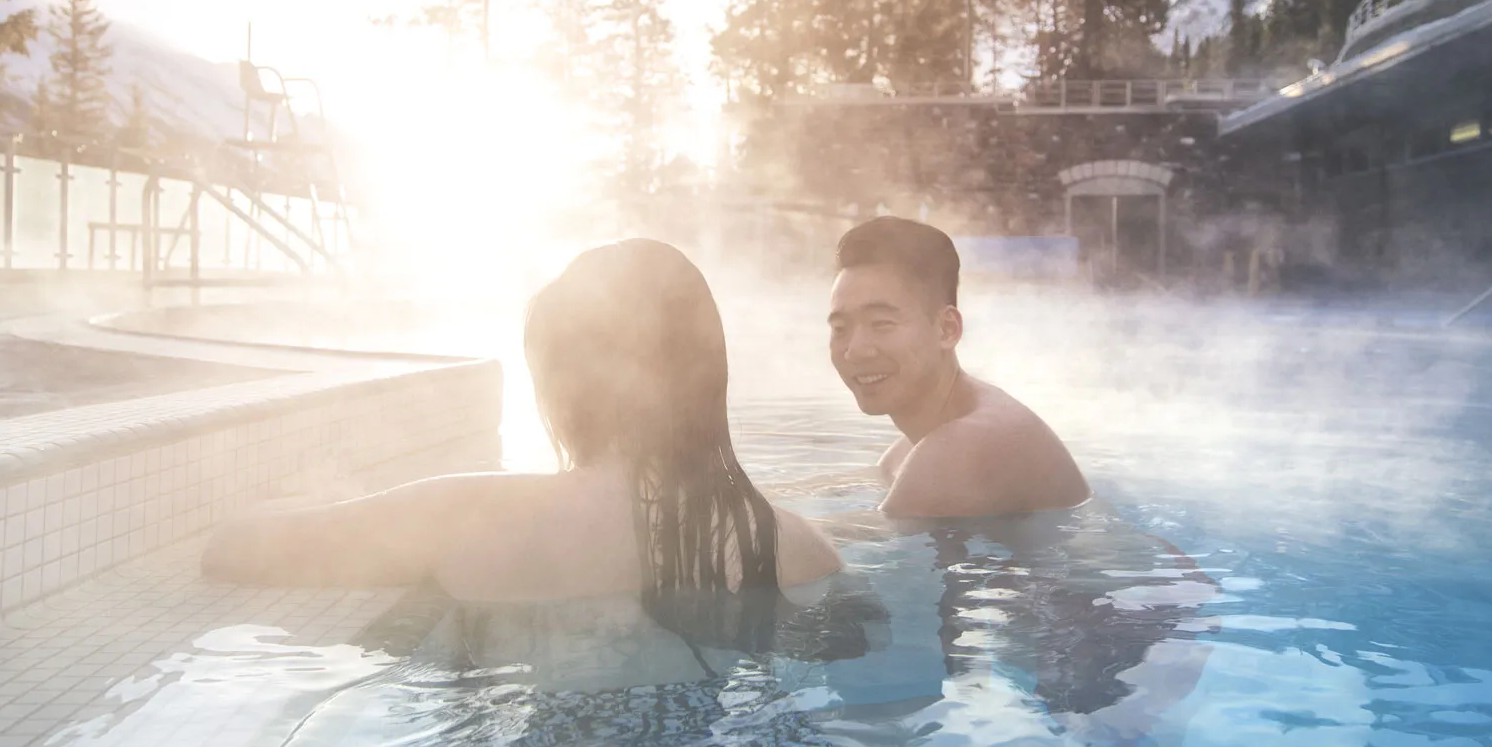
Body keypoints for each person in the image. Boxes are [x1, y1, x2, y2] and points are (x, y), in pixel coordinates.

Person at [203, 238, 840, 599]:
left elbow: (232, 551)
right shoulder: (795, 549)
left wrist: (304, 502)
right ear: (708, 379)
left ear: (563, 385)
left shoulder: (468, 517)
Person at [828, 216, 1089, 518]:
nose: (855, 350)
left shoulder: (965, 448)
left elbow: (844, 547)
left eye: (881, 324)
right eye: (840, 328)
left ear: (946, 330)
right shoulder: (912, 451)